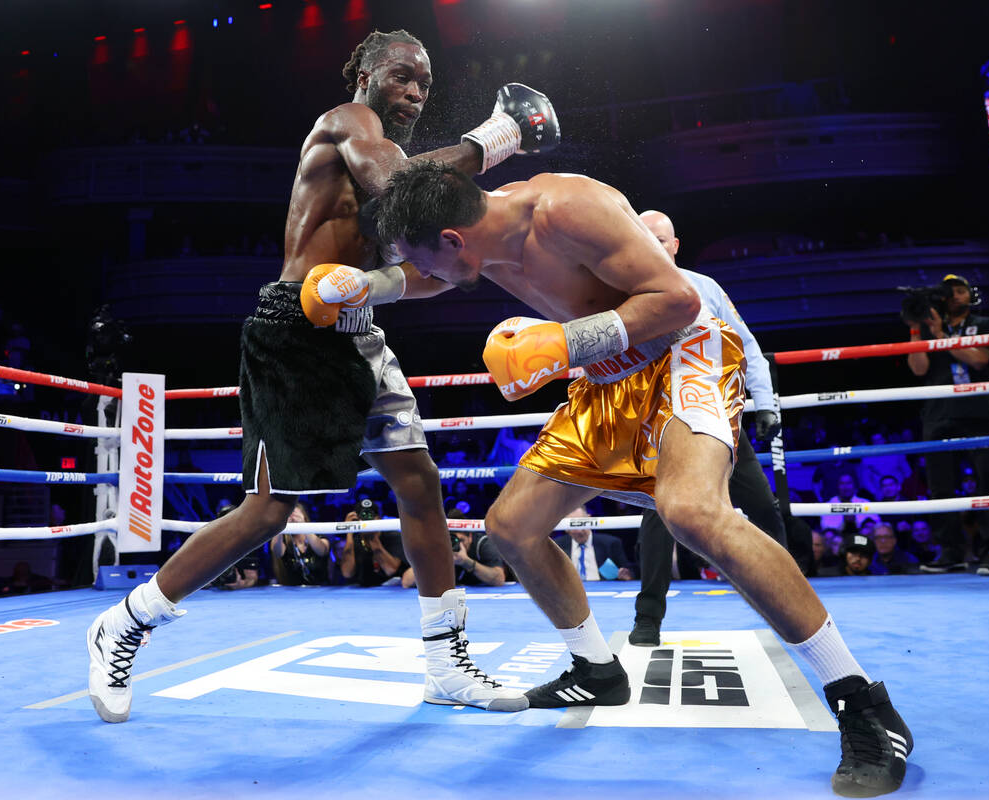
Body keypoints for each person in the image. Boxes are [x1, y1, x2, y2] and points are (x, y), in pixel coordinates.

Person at [371, 162, 912, 797]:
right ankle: (596, 670)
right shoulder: (472, 239)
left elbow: (679, 298)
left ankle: (861, 700)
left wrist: (564, 343)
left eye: (425, 260)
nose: (425, 275)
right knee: (511, 528)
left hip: (683, 351)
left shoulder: (566, 208)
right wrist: (362, 288)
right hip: (607, 377)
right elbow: (428, 275)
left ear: (453, 239)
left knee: (691, 511)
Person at [87, 29, 557, 721]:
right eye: (401, 76)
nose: (414, 93)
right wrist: (496, 138)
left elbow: (436, 274)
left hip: (358, 331)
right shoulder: (346, 122)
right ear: (366, 76)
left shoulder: (397, 186)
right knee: (269, 512)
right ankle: (126, 622)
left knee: (419, 483)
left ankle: (444, 662)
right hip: (294, 334)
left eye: (424, 85)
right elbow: (400, 183)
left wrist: (375, 284)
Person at [628, 210, 788, 647]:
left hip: (720, 416)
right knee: (658, 514)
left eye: (661, 240)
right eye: (644, 238)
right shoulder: (622, 293)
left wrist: (764, 403)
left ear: (674, 245)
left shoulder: (706, 287)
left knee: (765, 509)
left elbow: (746, 344)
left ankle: (788, 602)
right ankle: (647, 618)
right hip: (663, 423)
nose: (653, 246)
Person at [907, 274, 989, 576]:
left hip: (977, 411)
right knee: (940, 485)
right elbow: (918, 369)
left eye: (960, 291)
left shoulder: (985, 323)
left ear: (970, 295)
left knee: (988, 478)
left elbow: (979, 360)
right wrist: (916, 329)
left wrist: (942, 335)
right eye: (948, 292)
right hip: (938, 413)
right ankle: (950, 550)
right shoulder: (927, 328)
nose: (954, 296)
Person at [403, 508, 507, 588]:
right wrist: (435, 558)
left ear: (470, 537)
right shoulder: (439, 546)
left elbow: (499, 579)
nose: (456, 544)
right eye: (451, 541)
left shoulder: (482, 544)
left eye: (461, 540)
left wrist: (466, 562)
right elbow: (407, 582)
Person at [552, 506, 634, 582]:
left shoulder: (610, 543)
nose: (579, 530)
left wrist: (627, 575)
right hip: (570, 590)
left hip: (604, 589)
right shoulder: (557, 546)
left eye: (581, 522)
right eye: (573, 524)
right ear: (565, 527)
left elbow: (630, 571)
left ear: (589, 519)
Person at [271, 503, 330, 586]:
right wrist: (281, 524)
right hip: (292, 590)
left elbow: (322, 551)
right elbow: (277, 552)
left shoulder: (317, 535)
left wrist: (303, 524)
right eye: (289, 514)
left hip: (320, 589)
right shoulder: (282, 540)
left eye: (296, 515)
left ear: (304, 516)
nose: (293, 518)